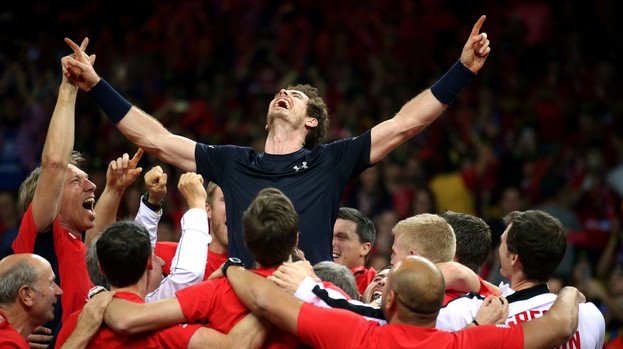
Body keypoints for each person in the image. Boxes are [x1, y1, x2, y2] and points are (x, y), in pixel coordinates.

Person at [63, 15, 491, 267]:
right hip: (245, 298)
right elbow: (155, 138)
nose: (284, 94)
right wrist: (97, 84)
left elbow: (404, 124)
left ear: (311, 122)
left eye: (297, 97)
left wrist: (464, 69)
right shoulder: (231, 162)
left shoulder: (332, 160)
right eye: (281, 93)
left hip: (310, 298)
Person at [225, 254, 585, 349]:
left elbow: (265, 299)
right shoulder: (473, 340)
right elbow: (559, 325)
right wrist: (570, 292)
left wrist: (231, 268)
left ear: (391, 299)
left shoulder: (354, 335)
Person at [99, 188, 309, 348]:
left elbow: (127, 318)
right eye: (226, 200)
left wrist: (99, 300)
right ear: (296, 239)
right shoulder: (317, 292)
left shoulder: (213, 289)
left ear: (246, 238)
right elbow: (127, 249)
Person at [54, 220, 267, 349]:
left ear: (100, 267)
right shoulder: (164, 328)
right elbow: (235, 345)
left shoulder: (77, 325)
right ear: (149, 261)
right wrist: (272, 298)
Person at [436, 210, 606, 348]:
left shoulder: (477, 311)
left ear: (513, 259)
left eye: (502, 242)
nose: (498, 249)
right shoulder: (590, 315)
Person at [154, 181, 228, 280]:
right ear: (208, 209)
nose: (234, 209)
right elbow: (130, 248)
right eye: (226, 200)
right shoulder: (172, 255)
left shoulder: (252, 268)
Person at [0, 254, 63, 348]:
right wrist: (81, 333)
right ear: (27, 295)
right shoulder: (6, 344)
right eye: (51, 283)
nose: (59, 292)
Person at [332, 207, 377, 297]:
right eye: (330, 236)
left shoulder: (375, 285)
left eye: (341, 237)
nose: (332, 243)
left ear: (365, 248)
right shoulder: (311, 275)